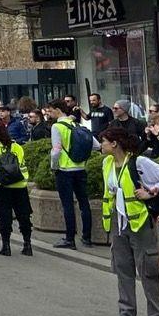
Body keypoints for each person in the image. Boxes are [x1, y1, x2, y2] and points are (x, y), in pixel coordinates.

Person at [100, 127, 159, 316]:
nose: (101, 146)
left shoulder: (138, 163)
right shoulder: (106, 164)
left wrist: (150, 193)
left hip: (140, 224)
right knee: (123, 271)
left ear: (115, 143)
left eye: (104, 141)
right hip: (119, 224)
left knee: (148, 273)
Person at [47, 98, 91, 250]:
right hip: (80, 168)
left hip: (65, 170)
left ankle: (70, 238)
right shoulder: (76, 124)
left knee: (68, 205)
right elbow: (95, 144)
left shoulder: (57, 127)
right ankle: (87, 237)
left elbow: (56, 151)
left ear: (58, 110)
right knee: (84, 203)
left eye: (50, 110)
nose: (49, 113)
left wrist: (53, 166)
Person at [0, 121, 32, 256]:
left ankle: (6, 246)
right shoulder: (17, 146)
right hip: (20, 185)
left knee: (4, 217)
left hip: (2, 187)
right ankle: (27, 244)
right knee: (24, 216)